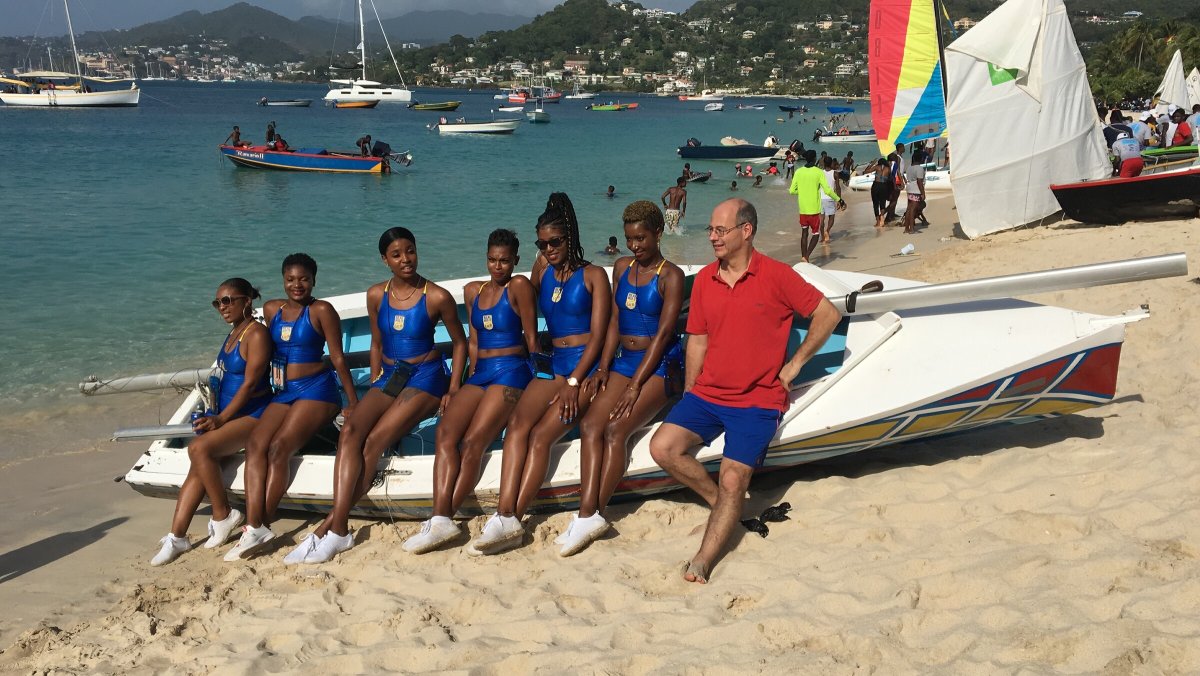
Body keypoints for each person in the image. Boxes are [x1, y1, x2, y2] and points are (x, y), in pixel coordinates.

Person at [649, 198, 841, 584]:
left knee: (733, 479)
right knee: (662, 448)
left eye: (721, 230)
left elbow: (828, 314)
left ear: (746, 231)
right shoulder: (706, 279)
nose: (712, 237)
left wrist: (795, 364)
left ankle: (703, 560)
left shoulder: (776, 275)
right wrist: (690, 390)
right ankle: (722, 506)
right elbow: (697, 339)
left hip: (757, 400)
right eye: (711, 230)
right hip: (708, 395)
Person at [283, 230, 468, 564]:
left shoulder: (436, 296)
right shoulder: (376, 295)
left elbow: (460, 343)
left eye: (410, 251)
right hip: (389, 376)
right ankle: (337, 529)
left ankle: (331, 529)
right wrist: (374, 380)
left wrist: (453, 388)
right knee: (350, 432)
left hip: (425, 377)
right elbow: (377, 343)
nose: (405, 259)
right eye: (396, 254)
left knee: (374, 441)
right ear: (385, 260)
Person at [468, 193, 612, 555]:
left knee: (541, 436)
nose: (549, 249)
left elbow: (599, 336)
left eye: (555, 242)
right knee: (516, 425)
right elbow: (515, 303)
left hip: (583, 366)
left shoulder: (593, 275)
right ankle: (505, 516)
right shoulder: (543, 271)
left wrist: (576, 381)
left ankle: (514, 515)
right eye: (542, 244)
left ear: (570, 237)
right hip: (554, 363)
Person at [399, 229, 538, 554]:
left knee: (474, 440)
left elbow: (531, 338)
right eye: (492, 259)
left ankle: (444, 517)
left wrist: (537, 381)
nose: (498, 266)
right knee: (445, 433)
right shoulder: (474, 291)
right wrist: (461, 385)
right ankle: (440, 518)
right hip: (480, 374)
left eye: (505, 261)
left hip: (511, 370)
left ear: (516, 260)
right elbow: (473, 342)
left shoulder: (518, 286)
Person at [563, 201, 685, 556]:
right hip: (624, 362)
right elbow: (615, 321)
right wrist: (603, 368)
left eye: (641, 238)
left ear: (658, 233)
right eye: (630, 238)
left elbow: (664, 335)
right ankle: (586, 513)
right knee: (590, 425)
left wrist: (634, 387)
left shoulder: (670, 276)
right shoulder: (621, 267)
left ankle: (593, 514)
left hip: (658, 366)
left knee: (617, 430)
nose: (634, 245)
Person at [225, 254, 359, 561]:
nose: (297, 285)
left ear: (314, 280)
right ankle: (253, 525)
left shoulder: (321, 310)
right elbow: (256, 346)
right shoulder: (272, 310)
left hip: (316, 390)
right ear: (283, 280)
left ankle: (261, 524)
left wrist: (352, 401)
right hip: (284, 392)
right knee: (255, 444)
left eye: (304, 279)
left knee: (279, 448)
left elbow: (337, 357)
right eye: (290, 279)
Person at [150, 279, 274, 566]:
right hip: (230, 414)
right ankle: (177, 537)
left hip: (254, 414)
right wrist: (213, 412)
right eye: (218, 302)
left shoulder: (256, 334)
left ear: (247, 301)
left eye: (228, 300)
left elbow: (250, 384)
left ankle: (224, 514)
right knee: (198, 465)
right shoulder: (234, 333)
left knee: (198, 449)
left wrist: (221, 419)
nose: (222, 307)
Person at [788, 150, 843, 264]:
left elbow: (792, 191)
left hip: (803, 209)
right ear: (814, 159)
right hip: (814, 210)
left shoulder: (798, 171)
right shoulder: (818, 172)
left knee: (804, 233)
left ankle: (804, 257)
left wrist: (802, 192)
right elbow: (828, 190)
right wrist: (839, 199)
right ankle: (806, 256)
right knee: (816, 234)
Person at [903, 149, 927, 234]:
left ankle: (906, 228)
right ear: (920, 159)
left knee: (909, 209)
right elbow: (919, 181)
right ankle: (912, 229)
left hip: (909, 188)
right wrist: (923, 193)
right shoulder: (919, 168)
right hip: (916, 190)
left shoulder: (909, 167)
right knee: (913, 209)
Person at [819, 156, 841, 244]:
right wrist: (839, 199)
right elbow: (838, 187)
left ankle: (822, 237)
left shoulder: (820, 173)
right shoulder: (835, 173)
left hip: (821, 198)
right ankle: (827, 231)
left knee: (821, 219)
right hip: (830, 198)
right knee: (831, 217)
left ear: (824, 163)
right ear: (832, 163)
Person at [884, 142, 907, 222]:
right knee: (894, 199)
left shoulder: (900, 157)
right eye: (903, 147)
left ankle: (892, 214)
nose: (904, 148)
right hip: (897, 180)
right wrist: (901, 181)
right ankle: (886, 215)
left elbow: (901, 170)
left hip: (899, 178)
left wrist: (904, 178)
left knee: (895, 199)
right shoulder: (897, 157)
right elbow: (897, 170)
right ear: (900, 148)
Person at [869, 156, 892, 227]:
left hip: (876, 186)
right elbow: (890, 179)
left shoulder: (876, 167)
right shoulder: (888, 169)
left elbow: (865, 171)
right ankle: (882, 219)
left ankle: (878, 222)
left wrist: (872, 164)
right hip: (884, 186)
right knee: (882, 203)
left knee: (875, 204)